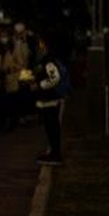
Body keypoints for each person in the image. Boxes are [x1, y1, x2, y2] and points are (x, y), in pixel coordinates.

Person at [30, 34, 67, 166]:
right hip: (48, 100)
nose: (39, 46)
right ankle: (53, 152)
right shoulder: (46, 60)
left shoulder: (48, 61)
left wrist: (39, 85)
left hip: (50, 100)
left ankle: (55, 154)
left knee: (52, 128)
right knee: (51, 128)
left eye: (42, 43)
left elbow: (54, 78)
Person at [0, 25, 24, 132]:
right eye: (1, 36)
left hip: (11, 78)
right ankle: (1, 122)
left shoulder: (14, 47)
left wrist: (11, 69)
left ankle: (12, 123)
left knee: (11, 102)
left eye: (5, 36)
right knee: (0, 104)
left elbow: (20, 64)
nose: (3, 38)